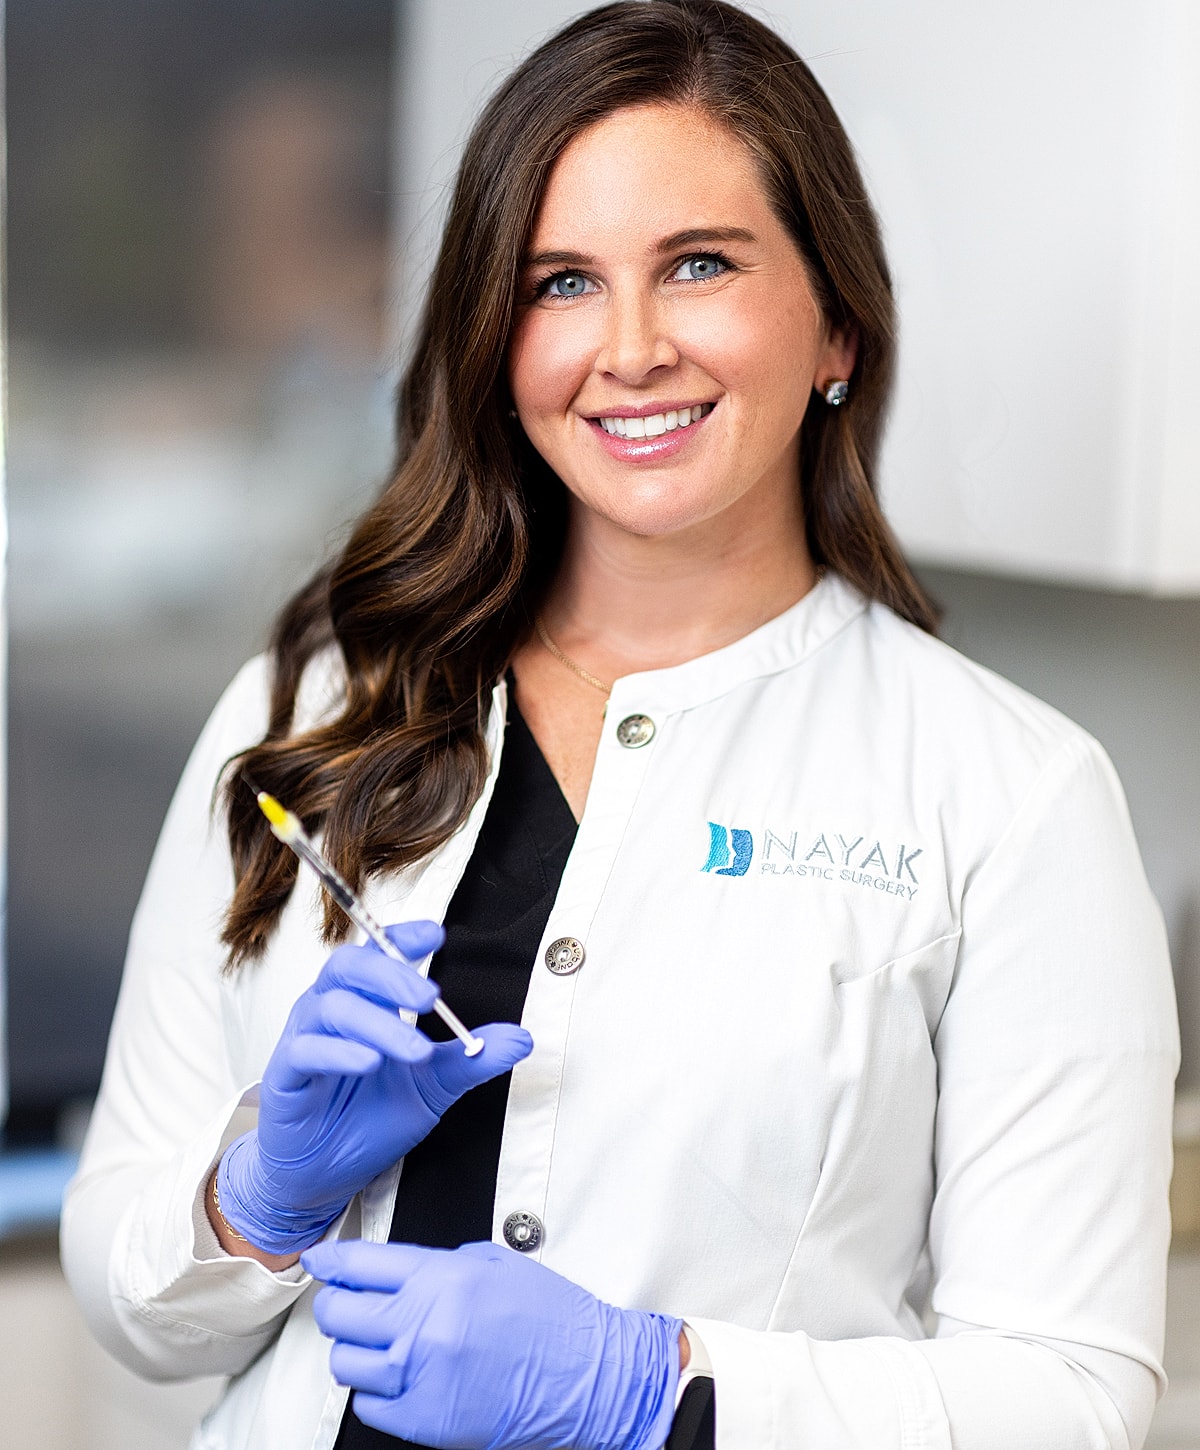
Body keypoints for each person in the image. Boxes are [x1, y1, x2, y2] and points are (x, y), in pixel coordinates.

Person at [61, 2, 1179, 1447]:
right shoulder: (319, 703)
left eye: (699, 264)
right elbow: (126, 1289)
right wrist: (254, 1193)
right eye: (561, 282)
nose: (630, 346)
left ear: (835, 318)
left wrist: (660, 1383)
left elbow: (1075, 1399)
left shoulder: (1010, 797)